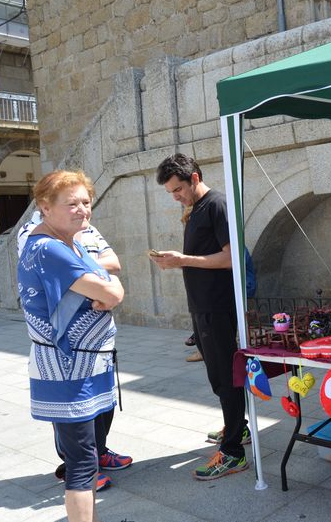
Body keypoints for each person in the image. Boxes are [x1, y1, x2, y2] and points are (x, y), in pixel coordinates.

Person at [17, 170, 125, 522]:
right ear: (45, 207)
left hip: (77, 365)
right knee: (81, 464)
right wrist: (109, 289)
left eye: (86, 202)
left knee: (86, 458)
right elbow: (112, 292)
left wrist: (108, 287)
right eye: (71, 203)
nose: (82, 210)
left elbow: (111, 280)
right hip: (68, 369)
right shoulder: (50, 248)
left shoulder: (66, 242)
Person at [150, 153, 250, 480]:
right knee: (217, 375)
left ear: (194, 178)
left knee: (225, 376)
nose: (175, 197)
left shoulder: (216, 205)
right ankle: (237, 428)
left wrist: (182, 260)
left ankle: (233, 452)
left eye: (178, 189)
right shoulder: (195, 209)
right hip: (202, 305)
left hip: (217, 306)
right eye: (170, 193)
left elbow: (231, 258)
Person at [185, 248, 256, 362]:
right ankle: (202, 341)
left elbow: (230, 266)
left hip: (243, 286)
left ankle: (205, 344)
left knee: (212, 308)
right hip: (234, 287)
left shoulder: (235, 247)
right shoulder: (227, 248)